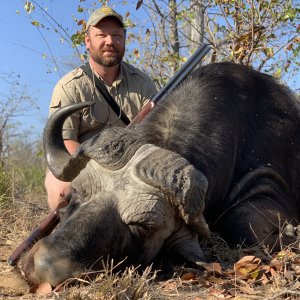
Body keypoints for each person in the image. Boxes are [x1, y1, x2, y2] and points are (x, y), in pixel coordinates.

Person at [45, 6, 158, 210]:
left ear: (124, 39)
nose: (110, 42)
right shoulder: (69, 86)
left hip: (132, 167)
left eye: (116, 35)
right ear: (88, 41)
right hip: (83, 166)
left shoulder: (143, 84)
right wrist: (97, 172)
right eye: (101, 35)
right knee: (62, 190)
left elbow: (155, 135)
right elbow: (65, 141)